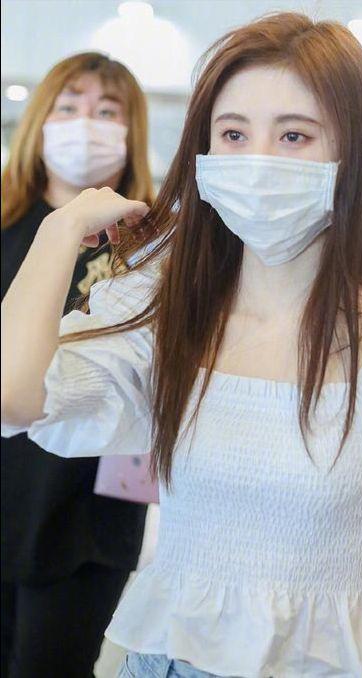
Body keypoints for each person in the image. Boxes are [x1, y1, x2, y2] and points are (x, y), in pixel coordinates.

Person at [1, 13, 362, 678]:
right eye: (233, 134)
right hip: (157, 661)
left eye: (294, 134)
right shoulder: (164, 317)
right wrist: (59, 232)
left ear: (350, 153)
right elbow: (14, 397)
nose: (258, 159)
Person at [1, 52, 155, 678]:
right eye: (69, 106)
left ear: (131, 131)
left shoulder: (149, 242)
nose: (86, 122)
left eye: (107, 110)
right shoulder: (8, 223)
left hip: (87, 515)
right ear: (40, 121)